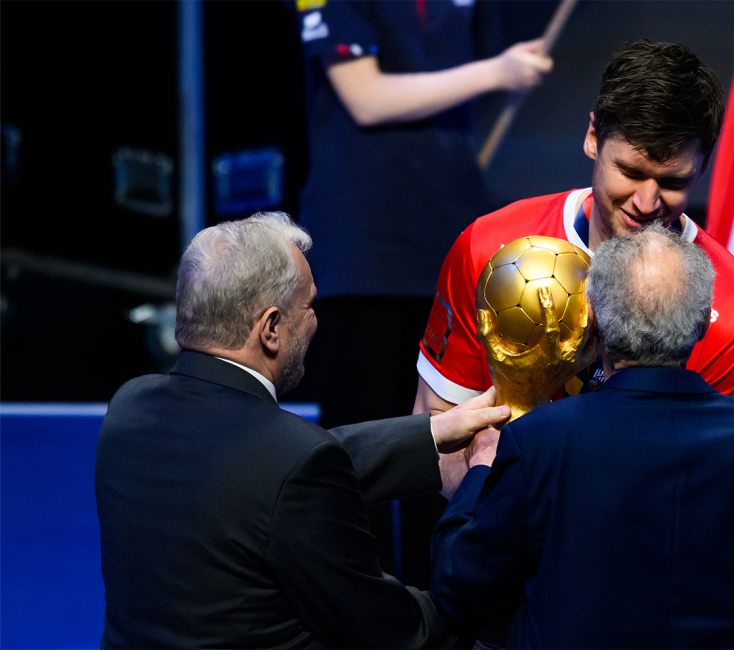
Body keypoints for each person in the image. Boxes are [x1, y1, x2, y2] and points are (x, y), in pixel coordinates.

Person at [94, 212, 509, 649]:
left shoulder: (128, 408)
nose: (314, 322)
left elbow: (266, 471)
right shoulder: (292, 464)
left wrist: (430, 433)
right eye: (309, 305)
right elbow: (403, 634)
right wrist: (481, 476)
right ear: (271, 328)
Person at [429, 225, 734, 649]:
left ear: (593, 322)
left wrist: (481, 471)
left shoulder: (538, 441)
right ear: (703, 321)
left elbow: (459, 591)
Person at [288, 0, 553, 585]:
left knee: (454, 447)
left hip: (454, 241)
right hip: (366, 251)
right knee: (362, 455)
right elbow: (365, 96)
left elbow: (478, 81)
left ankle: (444, 612)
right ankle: (362, 618)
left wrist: (508, 77)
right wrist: (498, 72)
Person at [416, 41, 734, 439]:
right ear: (592, 138)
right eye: (630, 172)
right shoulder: (486, 248)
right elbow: (436, 426)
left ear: (703, 168)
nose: (646, 202)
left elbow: (725, 486)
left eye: (673, 182)